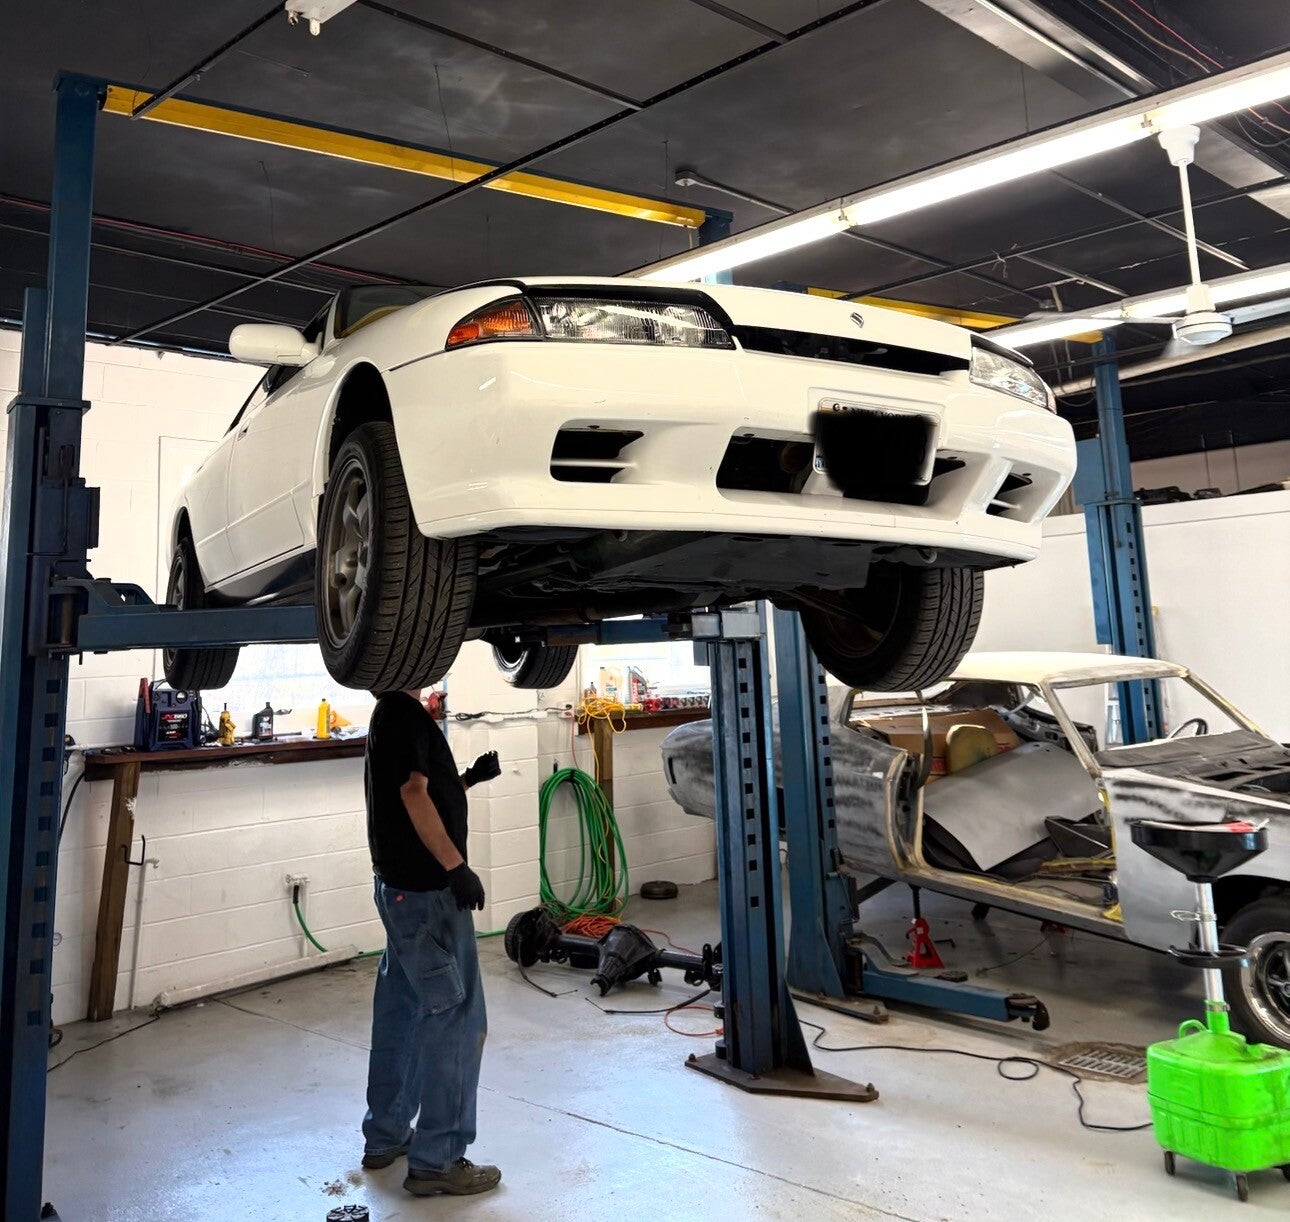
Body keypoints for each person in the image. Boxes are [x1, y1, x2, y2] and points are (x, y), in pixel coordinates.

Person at [360, 687, 503, 1197]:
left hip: (401, 895)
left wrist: (466, 780)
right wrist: (456, 867)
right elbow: (413, 794)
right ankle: (438, 1159)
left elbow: (420, 793)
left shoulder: (388, 715)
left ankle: (387, 1134)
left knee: (403, 1011)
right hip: (428, 899)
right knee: (457, 1021)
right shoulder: (406, 714)